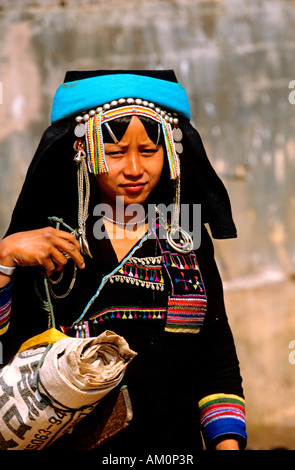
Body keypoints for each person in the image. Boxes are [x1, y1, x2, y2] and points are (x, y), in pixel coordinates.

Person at [0, 70, 247, 452]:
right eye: (115, 153)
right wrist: (3, 262)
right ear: (82, 152)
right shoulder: (46, 247)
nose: (134, 169)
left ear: (170, 152)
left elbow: (215, 359)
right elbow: (10, 353)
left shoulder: (186, 242)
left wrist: (227, 445)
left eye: (149, 151)